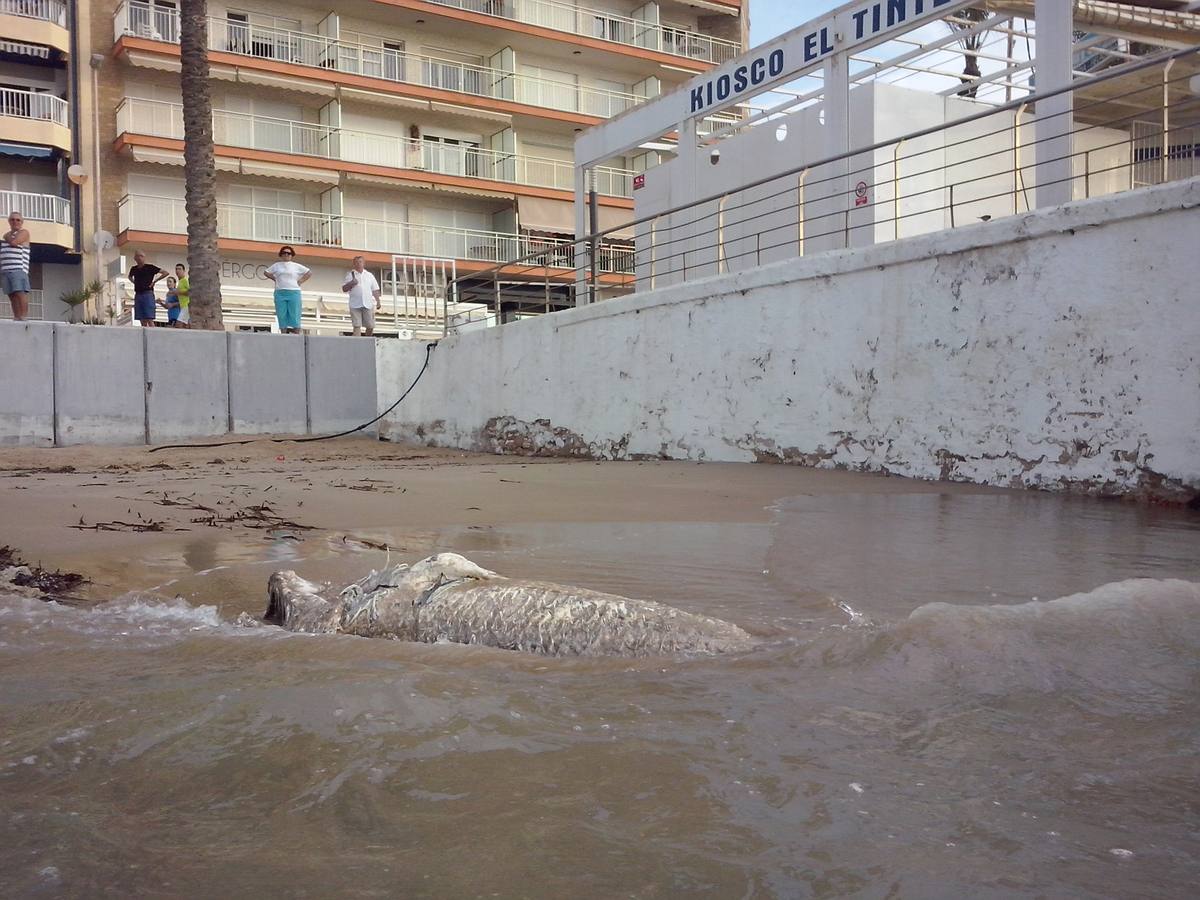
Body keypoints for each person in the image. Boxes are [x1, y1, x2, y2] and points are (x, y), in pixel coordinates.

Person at [264, 245, 310, 334]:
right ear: (281, 255)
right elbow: (266, 272)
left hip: (293, 292)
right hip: (280, 292)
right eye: (284, 253)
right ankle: (283, 334)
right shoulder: (276, 265)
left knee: (295, 314)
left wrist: (300, 281)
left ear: (292, 255)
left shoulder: (296, 266)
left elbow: (308, 272)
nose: (286, 255)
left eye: (288, 253)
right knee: (281, 314)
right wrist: (274, 278)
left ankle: (296, 334)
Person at [1, 211, 31, 321]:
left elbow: (14, 242)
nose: (15, 222)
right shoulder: (8, 235)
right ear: (9, 221)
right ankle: (17, 317)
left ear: (22, 222)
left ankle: (23, 316)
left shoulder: (24, 232)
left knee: (20, 292)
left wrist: (6, 236)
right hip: (5, 271)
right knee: (12, 295)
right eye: (12, 219)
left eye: (18, 219)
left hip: (18, 269)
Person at [341, 255, 381, 337]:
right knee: (357, 325)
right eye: (356, 262)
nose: (358, 264)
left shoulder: (369, 275)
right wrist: (351, 283)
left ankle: (367, 340)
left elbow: (375, 289)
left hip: (368, 303)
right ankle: (357, 343)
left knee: (370, 325)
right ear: (354, 264)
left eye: (360, 262)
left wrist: (378, 301)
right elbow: (344, 289)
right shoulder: (350, 275)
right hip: (355, 304)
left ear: (364, 263)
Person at [128, 250, 167, 327]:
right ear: (135, 258)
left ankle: (153, 335)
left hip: (147, 293)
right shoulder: (134, 269)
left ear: (144, 257)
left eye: (141, 256)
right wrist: (134, 282)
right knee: (141, 319)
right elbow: (129, 276)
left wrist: (155, 281)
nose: (139, 258)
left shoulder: (150, 267)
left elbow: (165, 273)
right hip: (138, 294)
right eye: (138, 256)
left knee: (149, 318)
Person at [173, 263, 190, 327]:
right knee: (185, 326)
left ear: (184, 271)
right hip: (183, 306)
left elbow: (190, 292)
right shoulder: (180, 282)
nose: (177, 271)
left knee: (178, 324)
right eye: (176, 269)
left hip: (186, 306)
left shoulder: (185, 281)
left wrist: (178, 292)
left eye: (179, 269)